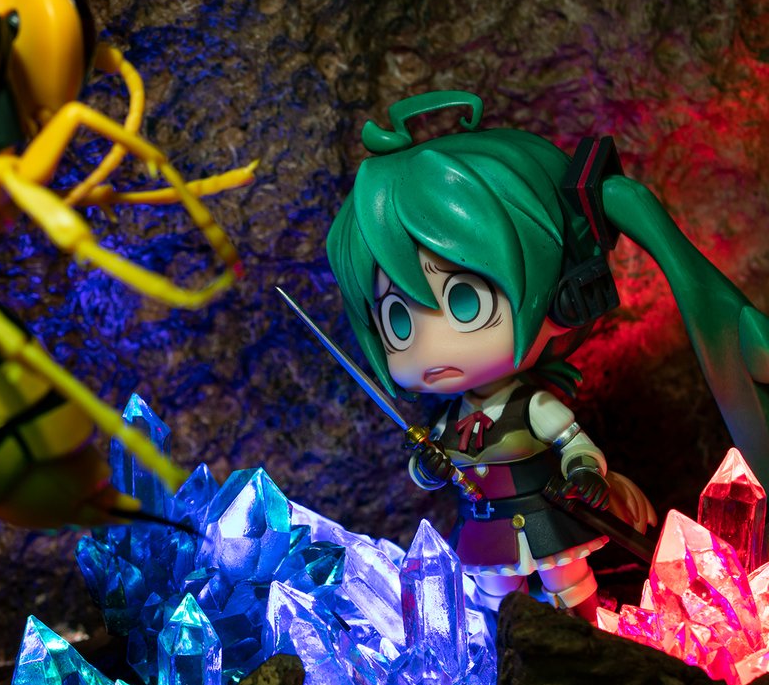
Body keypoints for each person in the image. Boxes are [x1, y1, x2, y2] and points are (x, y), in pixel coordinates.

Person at [326, 90, 769, 618]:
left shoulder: (532, 407)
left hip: (544, 518)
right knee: (494, 600)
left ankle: (589, 645)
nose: (428, 344)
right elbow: (429, 473)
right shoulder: (449, 419)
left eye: (464, 300)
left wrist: (585, 473)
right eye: (398, 319)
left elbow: (576, 446)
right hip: (486, 528)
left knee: (569, 585)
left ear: (565, 294)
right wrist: (429, 464)